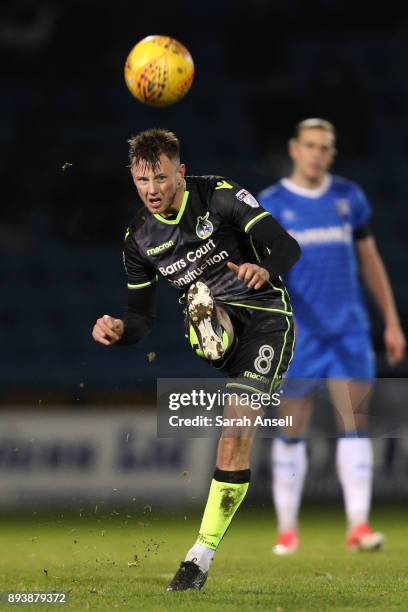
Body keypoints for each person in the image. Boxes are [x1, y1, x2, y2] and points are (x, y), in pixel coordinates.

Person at [92, 128, 300, 590]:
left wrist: (265, 267)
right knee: (199, 300)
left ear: (180, 173)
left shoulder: (219, 196)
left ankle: (197, 560)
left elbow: (287, 245)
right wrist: (120, 330)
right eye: (142, 181)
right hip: (218, 332)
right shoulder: (139, 239)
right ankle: (209, 324)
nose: (152, 190)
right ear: (133, 178)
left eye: (161, 179)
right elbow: (140, 318)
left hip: (266, 321)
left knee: (232, 438)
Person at [258, 118, 406, 555]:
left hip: (349, 330)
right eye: (310, 145)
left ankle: (358, 526)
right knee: (292, 428)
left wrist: (392, 320)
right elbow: (263, 277)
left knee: (355, 425)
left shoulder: (349, 198)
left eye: (325, 147)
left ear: (332, 153)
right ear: (294, 148)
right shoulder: (272, 204)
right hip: (301, 335)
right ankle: (287, 530)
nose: (317, 153)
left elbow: (370, 260)